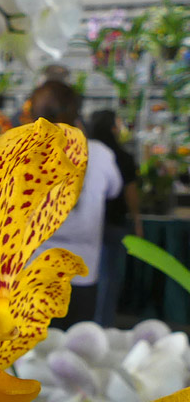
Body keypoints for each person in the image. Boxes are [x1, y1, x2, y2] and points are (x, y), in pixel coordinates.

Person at [27, 81, 123, 328]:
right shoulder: (99, 153)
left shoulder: (22, 149)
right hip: (82, 270)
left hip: (31, 269)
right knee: (76, 340)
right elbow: (114, 190)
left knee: (30, 343)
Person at [88, 110, 142, 326]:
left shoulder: (84, 153)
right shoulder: (123, 157)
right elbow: (130, 192)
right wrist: (137, 220)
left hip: (88, 224)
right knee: (109, 278)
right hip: (114, 222)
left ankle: (82, 323)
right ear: (112, 128)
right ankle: (103, 325)